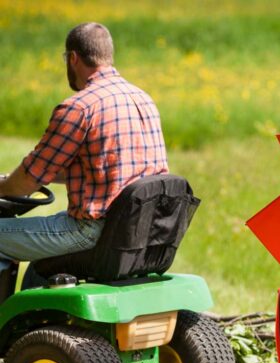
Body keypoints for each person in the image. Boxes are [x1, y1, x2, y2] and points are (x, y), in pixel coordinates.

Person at [0, 22, 169, 281]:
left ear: (73, 58)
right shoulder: (144, 99)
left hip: (90, 230)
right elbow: (107, 171)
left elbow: (28, 180)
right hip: (138, 230)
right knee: (37, 268)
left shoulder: (79, 107)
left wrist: (4, 187)